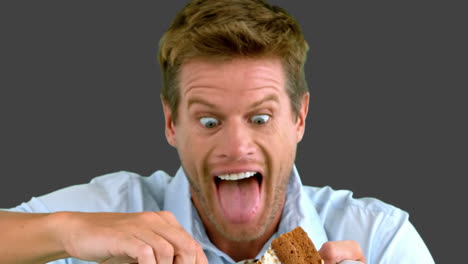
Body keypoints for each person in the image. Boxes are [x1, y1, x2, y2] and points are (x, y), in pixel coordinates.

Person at [0, 0, 434, 263]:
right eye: (209, 121)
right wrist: (66, 233)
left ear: (299, 118)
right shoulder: (116, 212)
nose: (236, 146)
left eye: (260, 119)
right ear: (172, 123)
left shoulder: (380, 239)